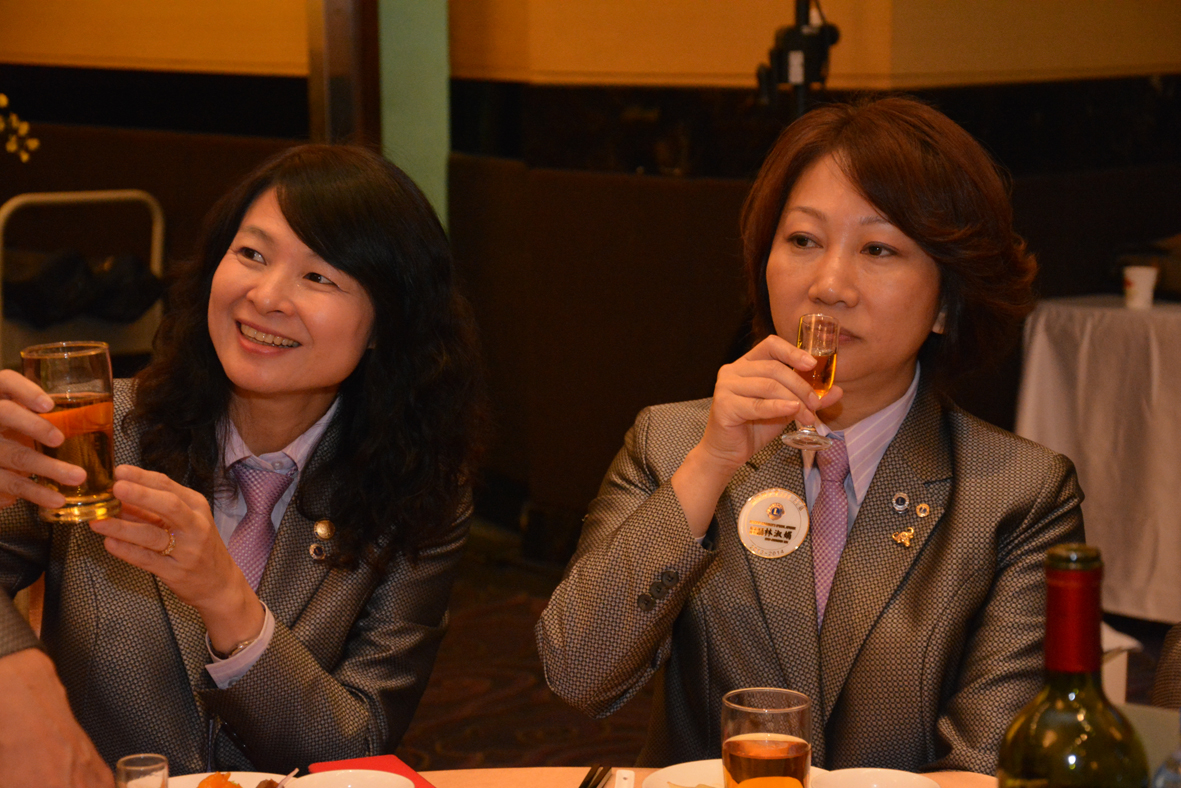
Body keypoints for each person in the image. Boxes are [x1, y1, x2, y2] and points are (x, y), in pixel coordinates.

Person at [535, 97, 1084, 775]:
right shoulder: (672, 443)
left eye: (878, 249)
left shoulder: (1018, 493)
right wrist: (711, 464)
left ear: (947, 301)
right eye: (802, 241)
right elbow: (578, 673)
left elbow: (988, 764)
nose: (829, 286)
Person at [0, 144, 485, 786]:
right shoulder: (101, 430)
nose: (267, 296)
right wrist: (16, 669)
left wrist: (226, 600)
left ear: (383, 327)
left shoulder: (417, 491)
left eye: (320, 277)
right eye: (252, 254)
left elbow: (359, 744)